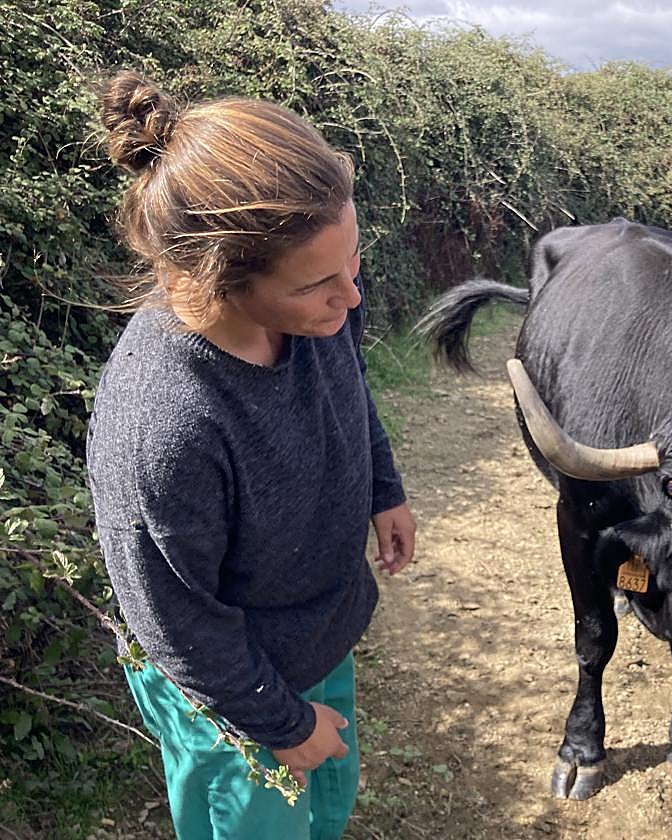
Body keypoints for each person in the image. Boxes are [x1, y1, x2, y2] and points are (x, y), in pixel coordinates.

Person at [86, 70, 416, 839]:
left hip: (314, 634)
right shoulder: (162, 423)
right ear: (212, 277)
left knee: (324, 815)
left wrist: (383, 488)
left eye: (353, 261)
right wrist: (285, 724)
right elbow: (174, 620)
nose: (353, 297)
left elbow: (351, 392)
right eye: (318, 284)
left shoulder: (324, 313)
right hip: (229, 688)